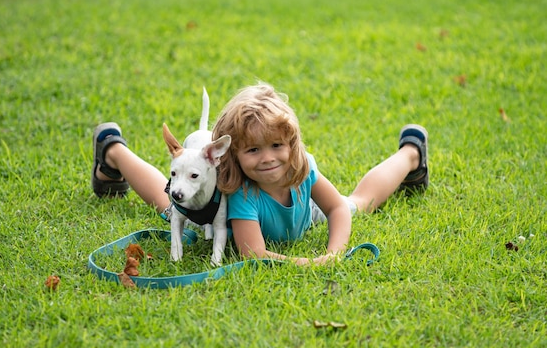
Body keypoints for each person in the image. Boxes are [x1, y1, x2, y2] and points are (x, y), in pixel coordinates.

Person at [91, 83, 428, 266]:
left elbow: (337, 209)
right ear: (232, 155)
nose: (268, 159)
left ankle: (411, 154)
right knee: (169, 203)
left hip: (304, 214)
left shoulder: (303, 166)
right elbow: (255, 253)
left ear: (291, 143)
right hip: (218, 217)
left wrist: (335, 252)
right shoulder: (241, 195)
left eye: (277, 145)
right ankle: (112, 150)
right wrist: (307, 263)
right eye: (253, 150)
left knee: (357, 202)